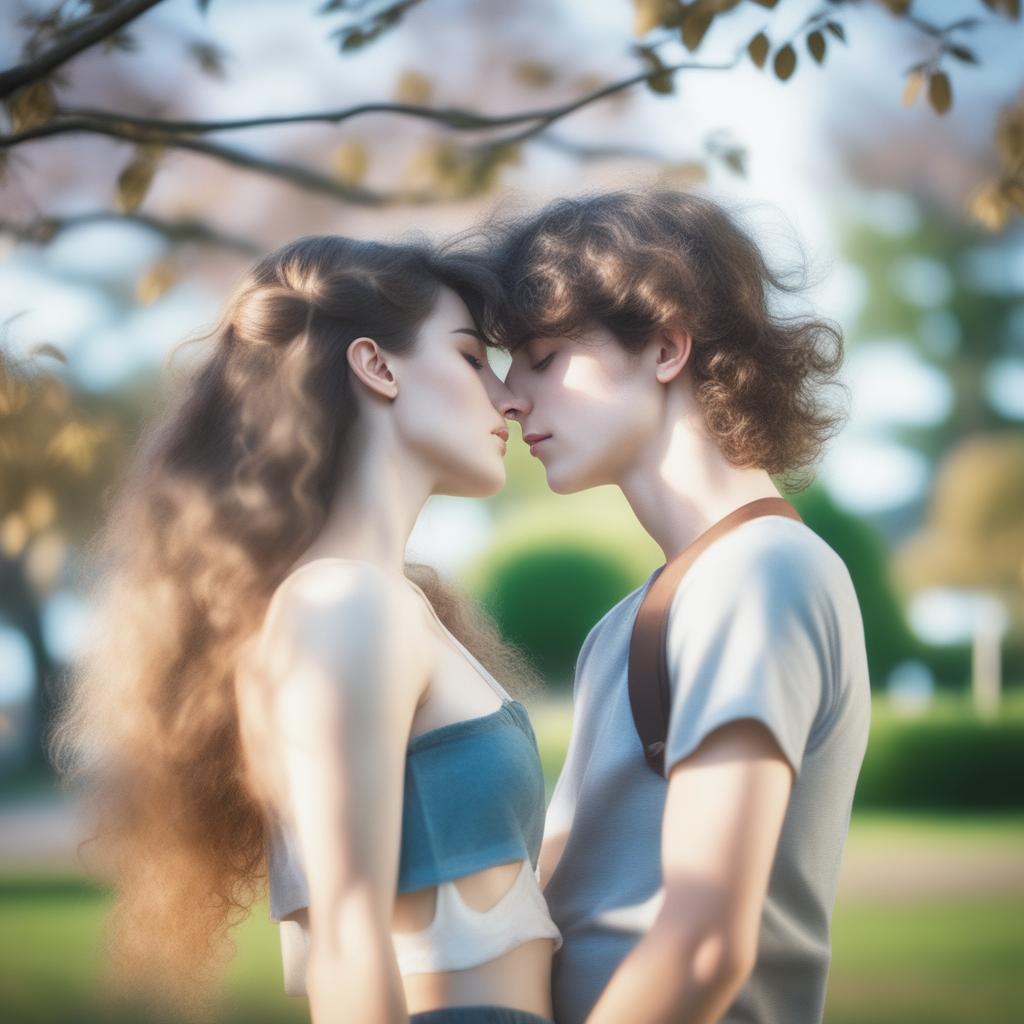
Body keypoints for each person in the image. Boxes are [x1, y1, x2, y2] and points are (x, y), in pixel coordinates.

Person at [47, 233, 562, 1024]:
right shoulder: (341, 607)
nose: (508, 397)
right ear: (376, 366)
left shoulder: (380, 603)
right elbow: (348, 943)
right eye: (469, 358)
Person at [464, 188, 872, 1024]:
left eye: (542, 357)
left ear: (664, 347)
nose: (509, 398)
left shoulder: (762, 574)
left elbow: (704, 943)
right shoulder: (626, 621)